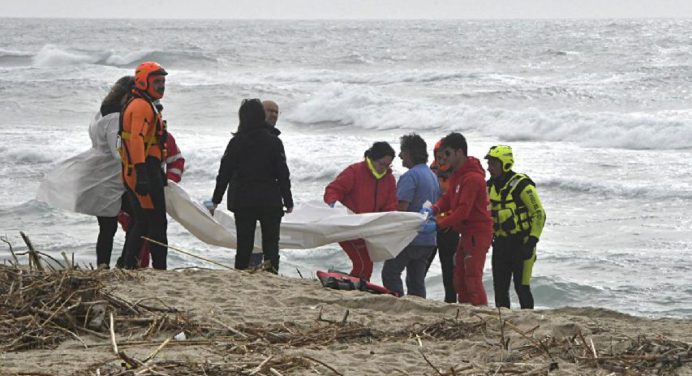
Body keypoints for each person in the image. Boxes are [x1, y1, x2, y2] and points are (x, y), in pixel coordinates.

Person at [37, 75, 134, 268]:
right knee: (134, 220)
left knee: (107, 227)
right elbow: (117, 151)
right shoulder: (116, 117)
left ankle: (105, 266)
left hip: (98, 172)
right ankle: (121, 263)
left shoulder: (101, 113)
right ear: (127, 95)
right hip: (109, 177)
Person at [210, 98, 293, 273]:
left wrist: (216, 200)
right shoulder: (274, 142)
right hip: (269, 199)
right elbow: (283, 174)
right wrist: (288, 200)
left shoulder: (236, 142)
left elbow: (223, 173)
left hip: (243, 200)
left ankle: (240, 274)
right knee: (271, 244)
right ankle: (272, 275)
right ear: (261, 116)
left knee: (244, 243)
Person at [424, 133, 493, 305]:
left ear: (459, 152)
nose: (444, 159)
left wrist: (439, 224)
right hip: (465, 233)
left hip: (477, 233)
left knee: (472, 278)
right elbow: (448, 199)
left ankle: (481, 313)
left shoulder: (473, 178)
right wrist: (435, 208)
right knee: (459, 277)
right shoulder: (458, 175)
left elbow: (463, 211)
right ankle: (465, 310)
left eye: (448, 154)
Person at [117, 101, 185, 268]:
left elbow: (177, 161)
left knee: (145, 224)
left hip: (149, 184)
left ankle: (135, 265)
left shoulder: (164, 138)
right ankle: (135, 265)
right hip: (134, 185)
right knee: (144, 225)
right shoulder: (134, 136)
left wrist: (168, 183)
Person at [119, 61, 169, 270]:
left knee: (144, 222)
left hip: (144, 168)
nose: (161, 86)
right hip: (142, 169)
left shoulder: (144, 103)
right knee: (156, 223)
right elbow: (136, 140)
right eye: (157, 81)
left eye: (163, 81)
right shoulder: (140, 106)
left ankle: (128, 265)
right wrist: (142, 173)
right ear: (142, 81)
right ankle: (159, 269)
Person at [324, 141, 398, 281]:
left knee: (366, 264)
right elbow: (333, 189)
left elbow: (390, 205)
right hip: (347, 227)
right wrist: (334, 204)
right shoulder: (355, 171)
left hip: (368, 229)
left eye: (388, 165)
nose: (384, 168)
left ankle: (356, 286)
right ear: (372, 158)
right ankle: (357, 289)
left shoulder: (389, 179)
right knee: (364, 263)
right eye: (381, 164)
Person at [485, 145, 546, 309]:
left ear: (505, 164)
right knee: (500, 290)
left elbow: (539, 214)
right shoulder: (488, 187)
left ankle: (529, 322)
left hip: (522, 244)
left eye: (493, 164)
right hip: (501, 245)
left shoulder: (522, 185)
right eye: (489, 164)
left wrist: (531, 242)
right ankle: (503, 325)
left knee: (522, 288)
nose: (489, 168)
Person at [381, 134, 440, 298]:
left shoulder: (410, 176)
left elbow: (402, 209)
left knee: (390, 273)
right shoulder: (432, 175)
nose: (399, 156)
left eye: (402, 152)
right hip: (429, 238)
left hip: (410, 238)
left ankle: (396, 302)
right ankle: (417, 306)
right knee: (416, 280)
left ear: (409, 153)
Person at [425, 139, 460, 303]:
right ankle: (416, 299)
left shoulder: (459, 173)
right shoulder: (431, 172)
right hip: (431, 228)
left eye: (446, 154)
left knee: (450, 271)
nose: (443, 158)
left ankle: (451, 303)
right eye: (440, 155)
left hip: (450, 229)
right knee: (421, 268)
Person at [249, 99, 282, 268]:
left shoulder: (275, 138)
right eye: (270, 111)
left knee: (270, 242)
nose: (274, 115)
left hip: (268, 198)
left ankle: (270, 272)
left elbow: (282, 172)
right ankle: (251, 268)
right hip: (250, 197)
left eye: (276, 112)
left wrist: (287, 199)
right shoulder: (247, 135)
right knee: (250, 239)